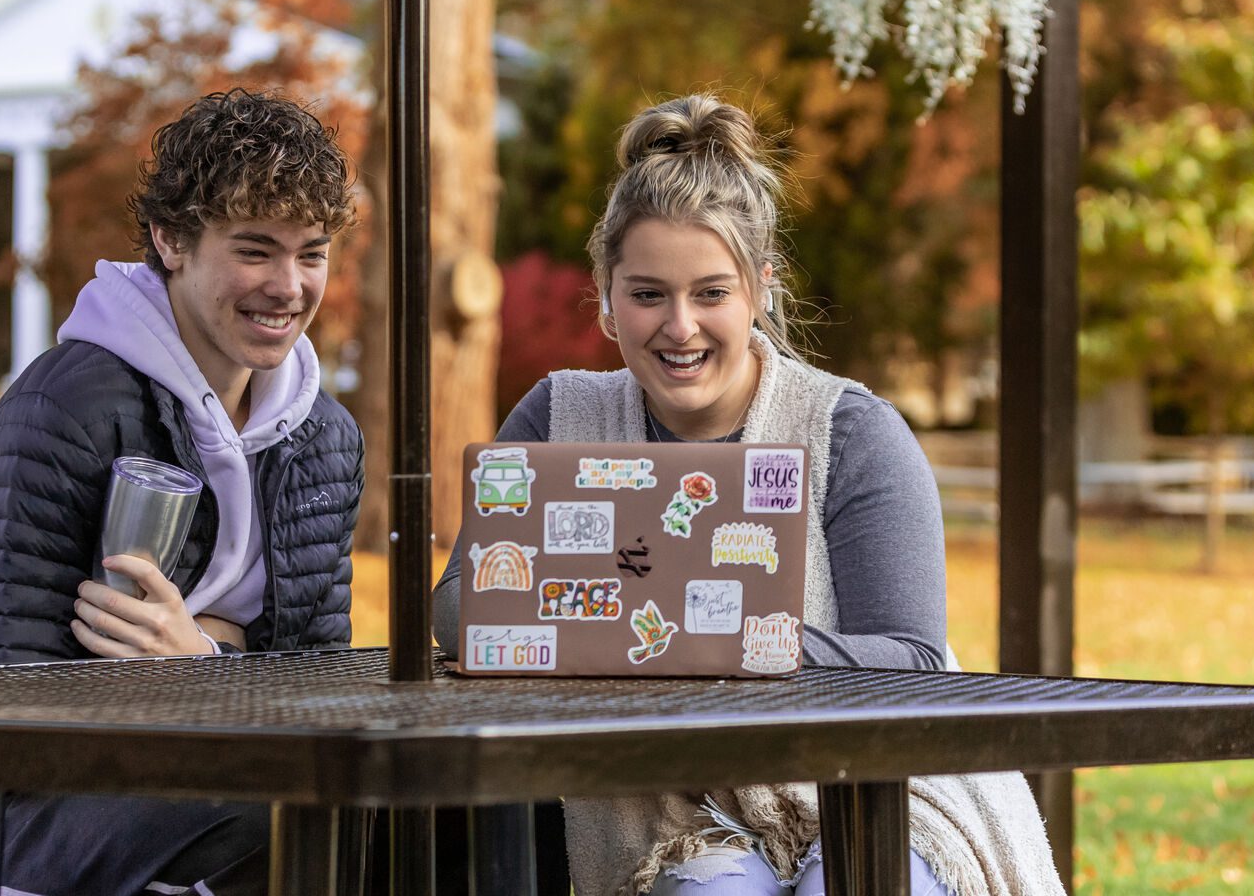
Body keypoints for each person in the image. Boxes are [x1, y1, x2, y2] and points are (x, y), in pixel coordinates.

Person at [430, 94, 1065, 896]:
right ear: (606, 293)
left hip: (873, 793)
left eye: (711, 293)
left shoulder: (850, 432)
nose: (680, 327)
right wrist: (623, 623)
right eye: (649, 294)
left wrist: (727, 643)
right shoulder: (561, 417)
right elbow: (459, 606)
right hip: (671, 815)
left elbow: (911, 659)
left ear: (760, 288)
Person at [0, 89, 365, 896]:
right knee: (278, 813)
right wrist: (216, 677)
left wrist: (203, 663)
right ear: (171, 240)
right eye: (254, 250)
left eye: (311, 253)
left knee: (445, 815)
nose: (288, 285)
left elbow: (318, 684)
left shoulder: (324, 440)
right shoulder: (63, 409)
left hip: (199, 779)